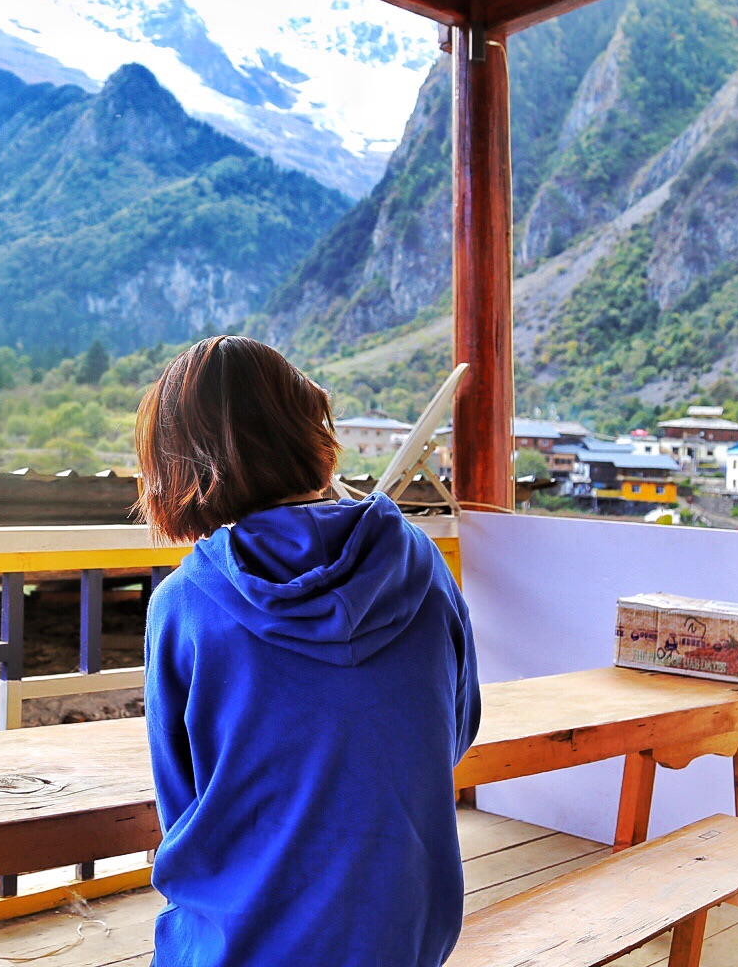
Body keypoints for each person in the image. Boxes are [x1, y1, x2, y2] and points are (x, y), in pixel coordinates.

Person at [136, 335, 481, 967]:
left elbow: (182, 803)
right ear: (310, 430)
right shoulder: (422, 564)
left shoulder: (186, 603)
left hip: (239, 949)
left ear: (181, 463)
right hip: (401, 939)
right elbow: (451, 734)